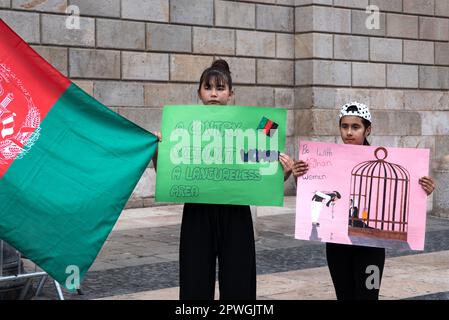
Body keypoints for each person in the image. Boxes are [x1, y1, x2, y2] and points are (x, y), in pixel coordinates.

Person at [152, 59, 292, 300]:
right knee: (194, 280)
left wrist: (284, 170)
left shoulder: (251, 125)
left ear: (231, 94)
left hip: (236, 213)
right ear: (199, 93)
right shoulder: (182, 128)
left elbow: (261, 173)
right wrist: (157, 151)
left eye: (220, 89)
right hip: (198, 212)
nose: (213, 94)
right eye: (208, 88)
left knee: (238, 282)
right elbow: (167, 173)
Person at [292, 101, 435, 300]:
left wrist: (423, 190)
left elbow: (399, 193)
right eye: (344, 126)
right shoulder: (328, 160)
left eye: (355, 127)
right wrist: (300, 177)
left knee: (369, 295)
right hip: (337, 246)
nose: (349, 132)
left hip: (371, 247)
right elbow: (312, 194)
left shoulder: (387, 162)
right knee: (344, 295)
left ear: (368, 130)